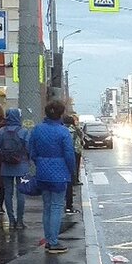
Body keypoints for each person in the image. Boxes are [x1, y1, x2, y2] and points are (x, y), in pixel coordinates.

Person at [28, 100, 75, 254]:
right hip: (59, 174)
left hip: (42, 173)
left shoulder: (37, 129)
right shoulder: (63, 132)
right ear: (61, 115)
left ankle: (48, 239)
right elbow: (69, 155)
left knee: (47, 207)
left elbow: (32, 151)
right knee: (56, 207)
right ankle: (54, 242)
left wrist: (40, 163)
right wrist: (71, 171)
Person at [0, 108, 29, 228]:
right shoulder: (23, 131)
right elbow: (29, 148)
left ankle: (11, 220)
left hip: (6, 166)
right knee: (21, 193)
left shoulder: (1, 131)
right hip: (21, 165)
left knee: (8, 193)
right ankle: (20, 221)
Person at [63, 114, 84, 215]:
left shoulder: (61, 130)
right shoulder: (75, 129)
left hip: (62, 156)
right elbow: (81, 137)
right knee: (70, 177)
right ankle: (68, 205)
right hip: (74, 152)